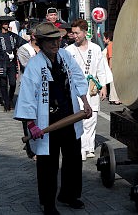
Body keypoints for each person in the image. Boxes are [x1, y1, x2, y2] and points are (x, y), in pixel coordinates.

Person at [14, 22, 92, 215]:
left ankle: (69, 195)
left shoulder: (65, 56)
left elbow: (78, 77)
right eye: (50, 41)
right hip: (46, 122)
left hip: (69, 117)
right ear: (40, 43)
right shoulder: (35, 64)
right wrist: (31, 124)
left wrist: (85, 101)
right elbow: (27, 96)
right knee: (48, 165)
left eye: (57, 39)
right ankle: (47, 203)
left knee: (73, 159)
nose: (55, 44)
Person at [66, 19, 112, 160]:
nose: (75, 36)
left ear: (85, 32)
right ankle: (81, 148)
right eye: (73, 33)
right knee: (80, 117)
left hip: (92, 87)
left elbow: (101, 68)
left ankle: (89, 147)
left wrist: (103, 86)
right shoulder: (69, 50)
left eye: (77, 33)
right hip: (76, 89)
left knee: (92, 118)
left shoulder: (96, 49)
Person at [0, 16, 27, 111]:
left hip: (12, 63)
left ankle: (10, 99)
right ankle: (6, 103)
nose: (6, 25)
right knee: (3, 83)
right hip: (1, 62)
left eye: (7, 23)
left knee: (12, 83)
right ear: (1, 25)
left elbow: (23, 43)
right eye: (4, 23)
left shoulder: (13, 36)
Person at [103, 31, 121, 105]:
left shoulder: (110, 45)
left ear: (108, 38)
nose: (103, 39)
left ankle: (115, 99)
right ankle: (115, 98)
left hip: (112, 67)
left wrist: (110, 68)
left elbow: (111, 57)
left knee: (113, 83)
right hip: (115, 66)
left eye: (104, 37)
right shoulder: (113, 45)